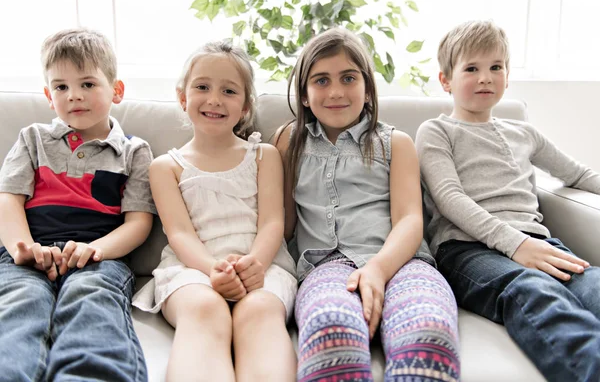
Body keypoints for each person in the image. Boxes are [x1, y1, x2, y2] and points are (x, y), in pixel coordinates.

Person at [415, 19, 600, 381]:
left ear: (508, 75)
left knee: (594, 285)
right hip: (468, 251)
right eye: (472, 68)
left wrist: (529, 244)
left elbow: (578, 174)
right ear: (445, 80)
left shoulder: (524, 133)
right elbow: (450, 198)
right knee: (534, 290)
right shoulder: (436, 131)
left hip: (539, 242)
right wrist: (516, 245)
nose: (486, 77)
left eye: (496, 67)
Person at [274, 27, 460, 382]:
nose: (336, 92)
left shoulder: (396, 143)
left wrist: (377, 269)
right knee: (331, 330)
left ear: (368, 87)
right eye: (321, 80)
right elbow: (281, 222)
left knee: (429, 329)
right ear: (304, 94)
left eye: (348, 78)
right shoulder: (288, 141)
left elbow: (409, 220)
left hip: (403, 263)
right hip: (324, 267)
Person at [132, 40, 298, 382]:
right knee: (205, 309)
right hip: (191, 270)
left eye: (229, 91)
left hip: (261, 264)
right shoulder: (166, 166)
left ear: (246, 106)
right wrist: (212, 270)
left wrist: (256, 264)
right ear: (182, 97)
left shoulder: (264, 155)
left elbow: (272, 221)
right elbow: (179, 233)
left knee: (260, 311)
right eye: (202, 87)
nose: (214, 99)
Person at [0, 28, 155, 381]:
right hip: (26, 254)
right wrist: (22, 249)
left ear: (117, 91)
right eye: (61, 87)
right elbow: (8, 199)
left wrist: (93, 250)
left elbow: (139, 223)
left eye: (87, 84)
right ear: (48, 95)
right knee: (20, 302)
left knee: (91, 298)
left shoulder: (134, 151)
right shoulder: (33, 139)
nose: (74, 96)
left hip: (99, 257)